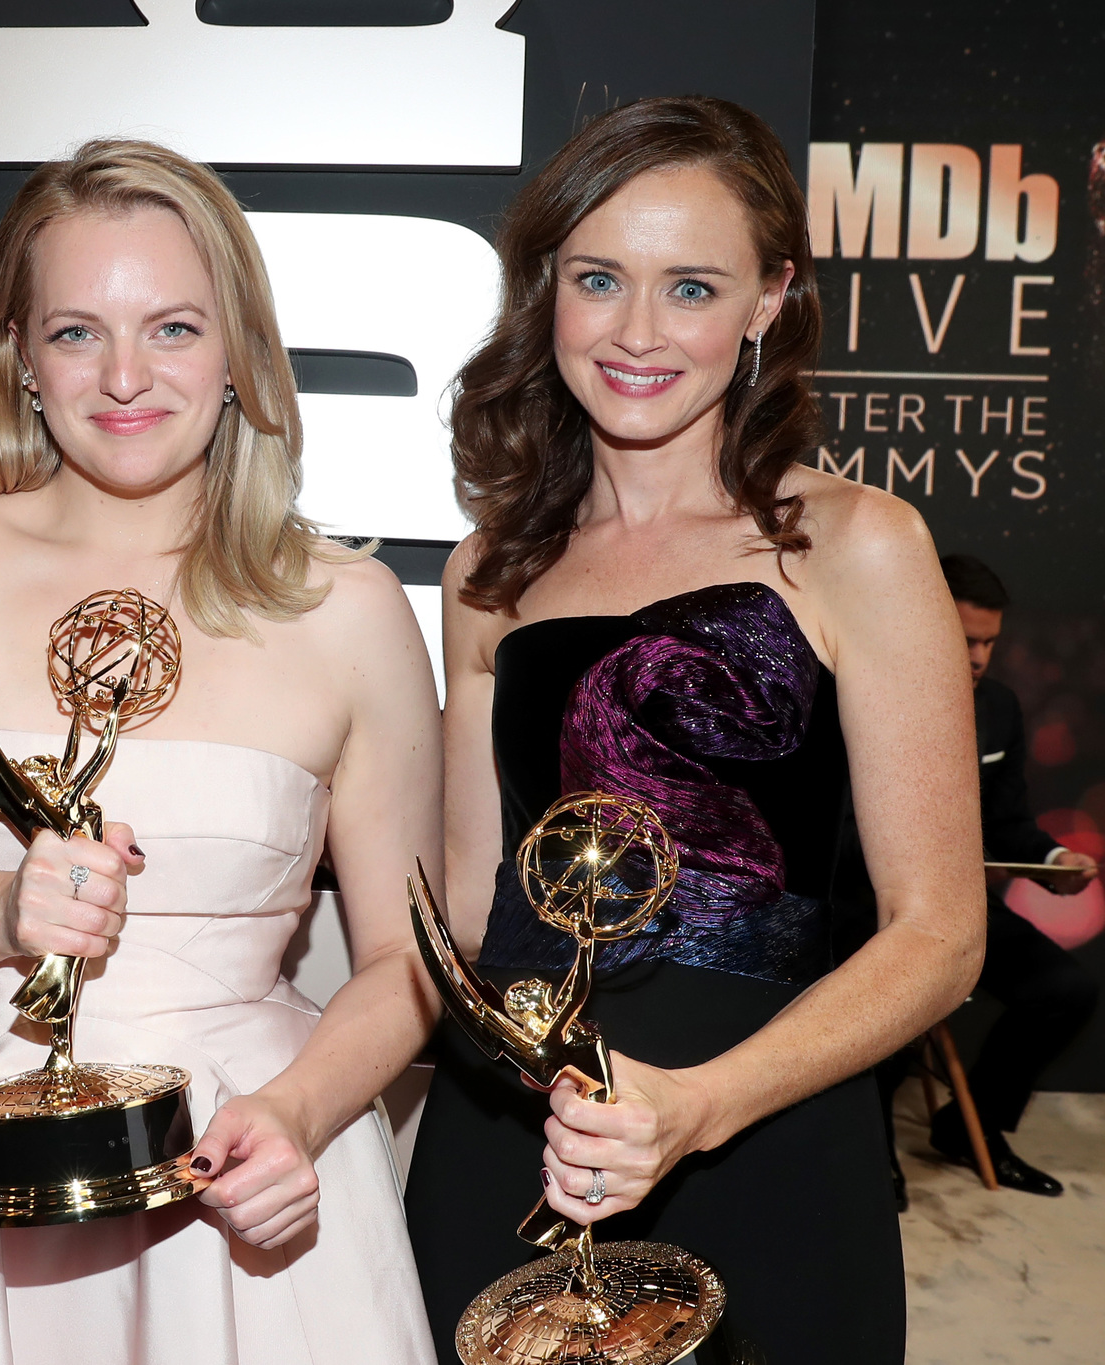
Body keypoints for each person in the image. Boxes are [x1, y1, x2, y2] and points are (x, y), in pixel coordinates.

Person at [0, 139, 439, 1363]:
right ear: (20, 358)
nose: (125, 376)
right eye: (78, 331)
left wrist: (295, 1119)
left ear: (241, 354)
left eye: (174, 328)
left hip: (244, 1177)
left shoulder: (347, 609)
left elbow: (407, 964)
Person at [405, 97, 983, 1364]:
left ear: (768, 299)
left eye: (691, 288)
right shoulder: (487, 567)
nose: (634, 333)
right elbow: (459, 905)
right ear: (544, 286)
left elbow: (938, 936)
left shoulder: (855, 545)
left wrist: (699, 1106)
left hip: (763, 1134)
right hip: (508, 1138)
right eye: (598, 279)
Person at [927, 553, 1099, 1192]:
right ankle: (873, 1154)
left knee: (1066, 991)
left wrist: (1055, 863)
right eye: (964, 639)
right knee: (890, 996)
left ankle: (974, 1129)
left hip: (962, 908)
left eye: (989, 642)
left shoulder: (998, 708)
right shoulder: (866, 694)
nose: (978, 657)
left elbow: (1010, 824)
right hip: (868, 910)